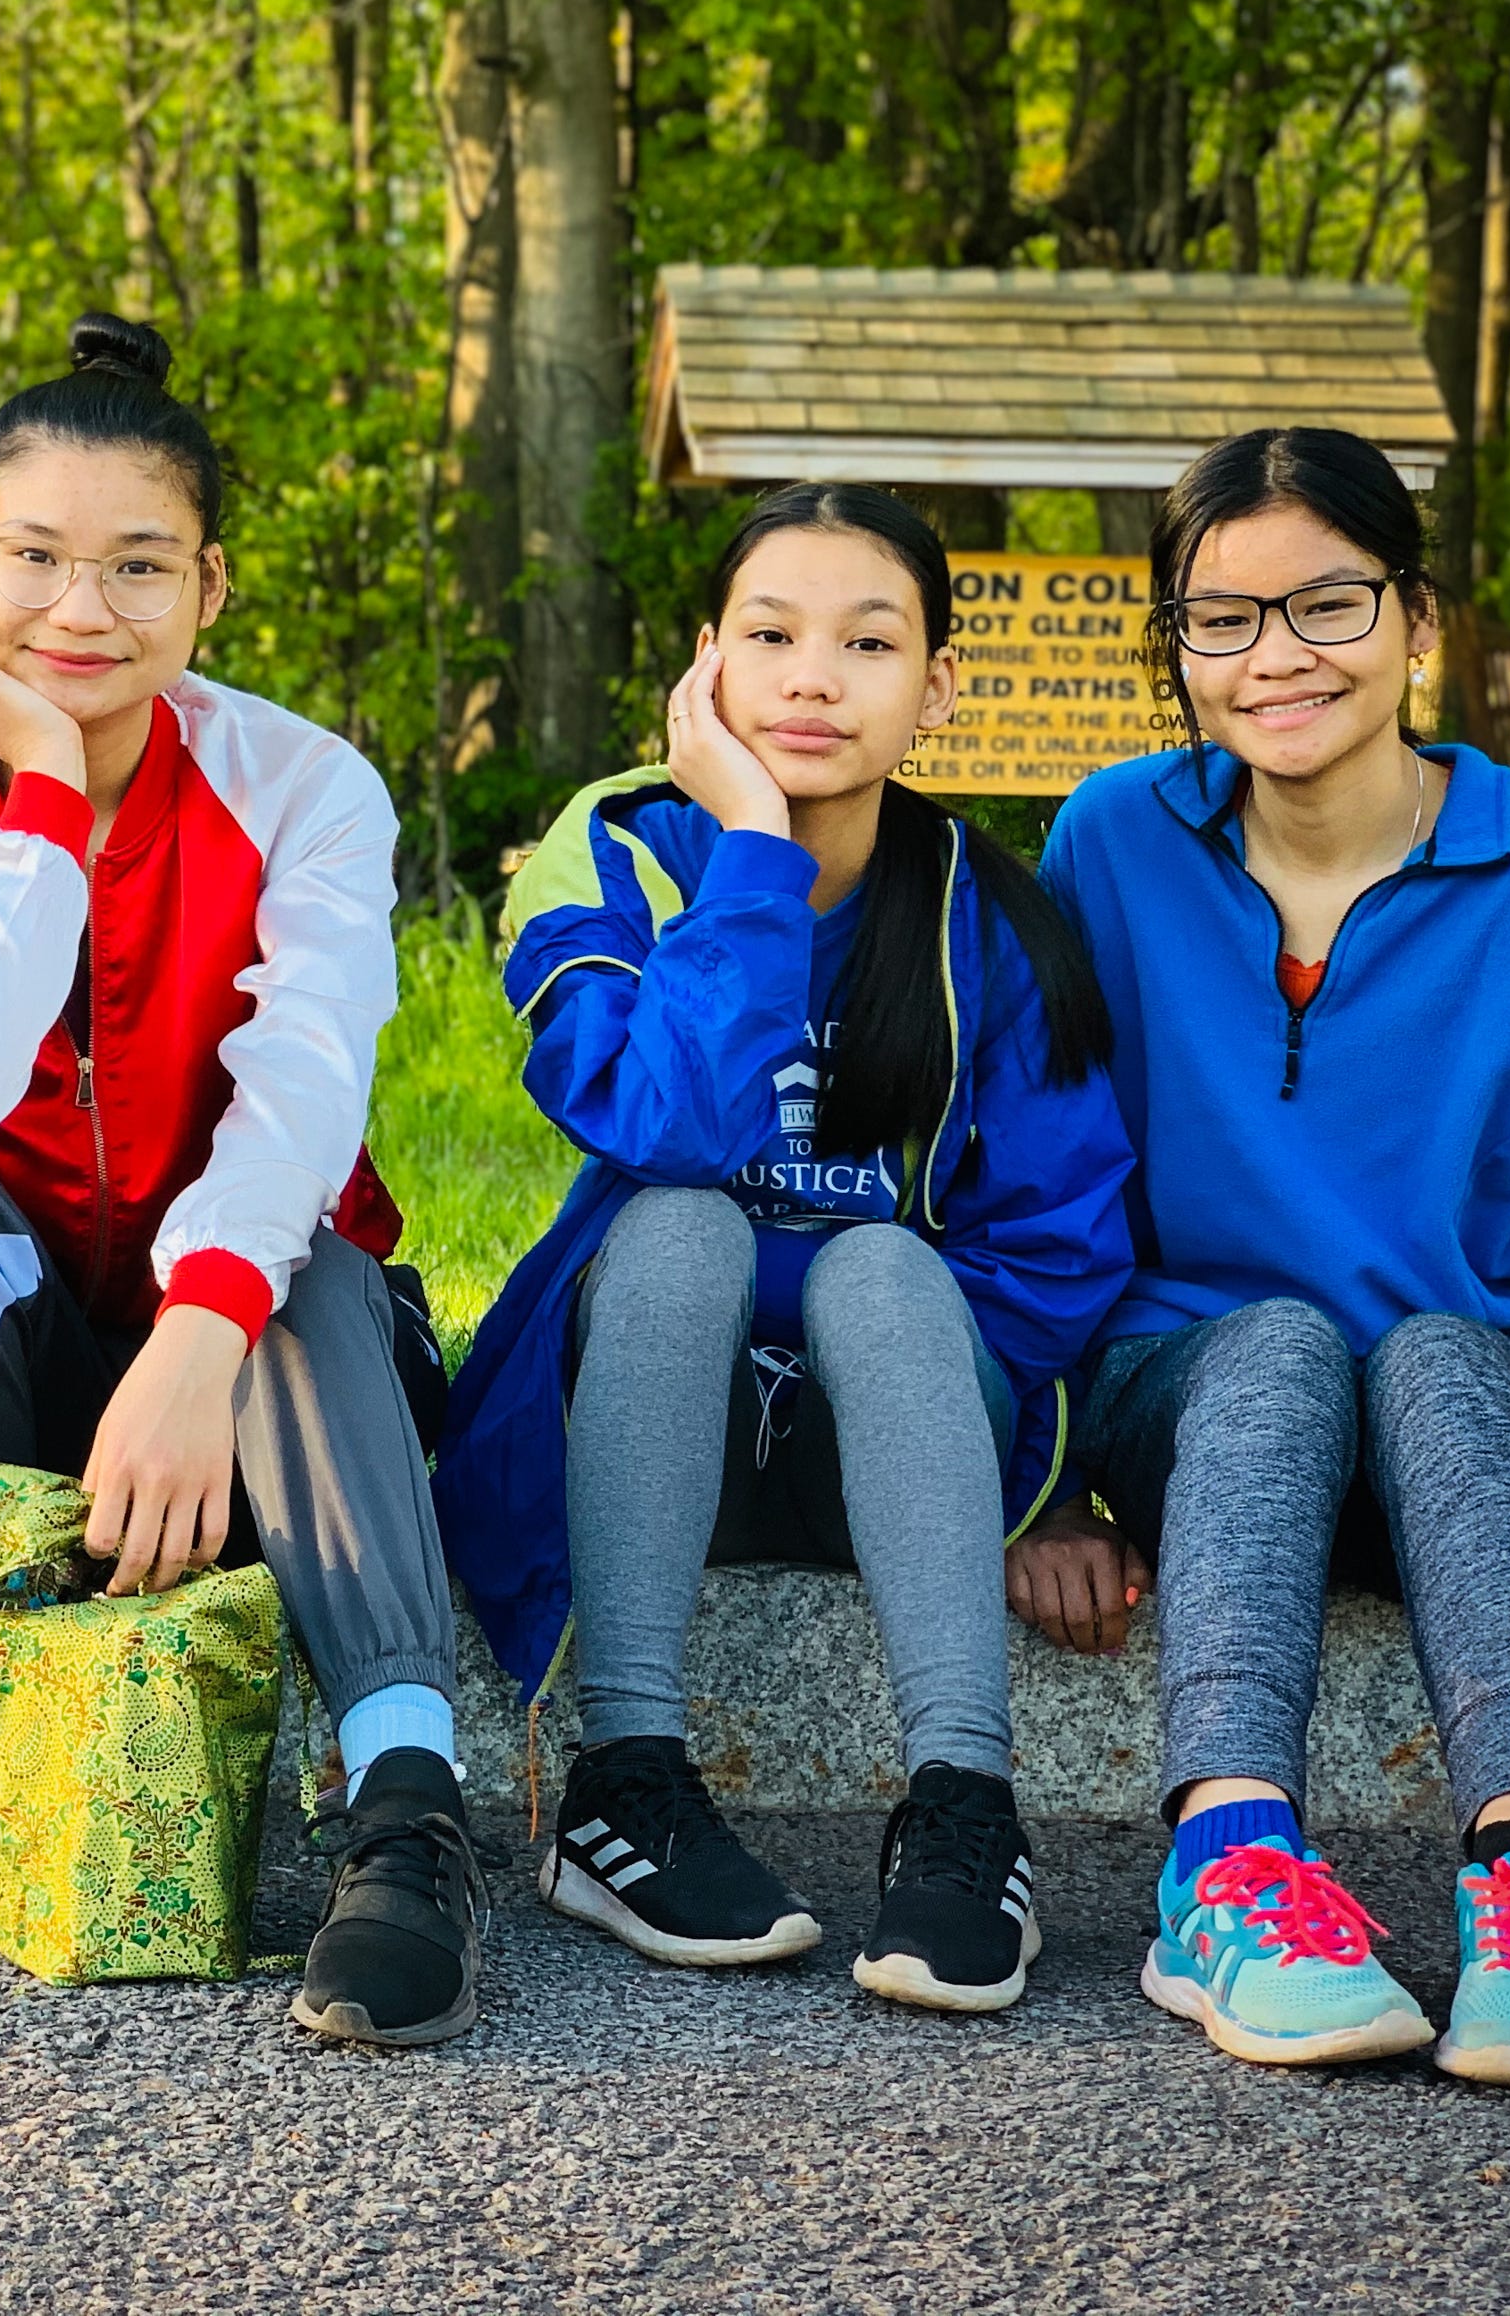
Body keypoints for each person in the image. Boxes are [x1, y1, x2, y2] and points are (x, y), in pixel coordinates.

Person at [0, 313, 485, 2051]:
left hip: (262, 1390)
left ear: (212, 589)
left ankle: (406, 1811)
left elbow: (304, 1091)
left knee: (311, 1259)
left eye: (137, 567)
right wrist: (30, 789)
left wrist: (199, 1333)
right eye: (32, 560)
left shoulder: (305, 786)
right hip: (18, 1388)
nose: (80, 613)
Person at [1023, 425, 1510, 2089]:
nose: (1279, 657)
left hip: (1480, 1398)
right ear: (1178, 652)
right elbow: (1037, 1193)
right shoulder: (1112, 845)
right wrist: (1034, 1480)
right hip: (1194, 1399)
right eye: (1224, 618)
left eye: (1329, 605)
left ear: (1421, 622)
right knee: (1271, 1344)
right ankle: (1231, 1872)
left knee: (1429, 1352)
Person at [433, 486, 1133, 2015]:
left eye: (869, 642)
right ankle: (622, 1777)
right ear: (706, 670)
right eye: (773, 635)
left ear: (938, 686)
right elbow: (667, 1122)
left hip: (884, 1434)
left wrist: (1005, 1458)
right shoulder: (610, 856)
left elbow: (1062, 1242)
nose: (816, 676)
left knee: (880, 1270)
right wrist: (753, 846)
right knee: (680, 1221)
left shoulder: (986, 919)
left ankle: (964, 1815)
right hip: (635, 1412)